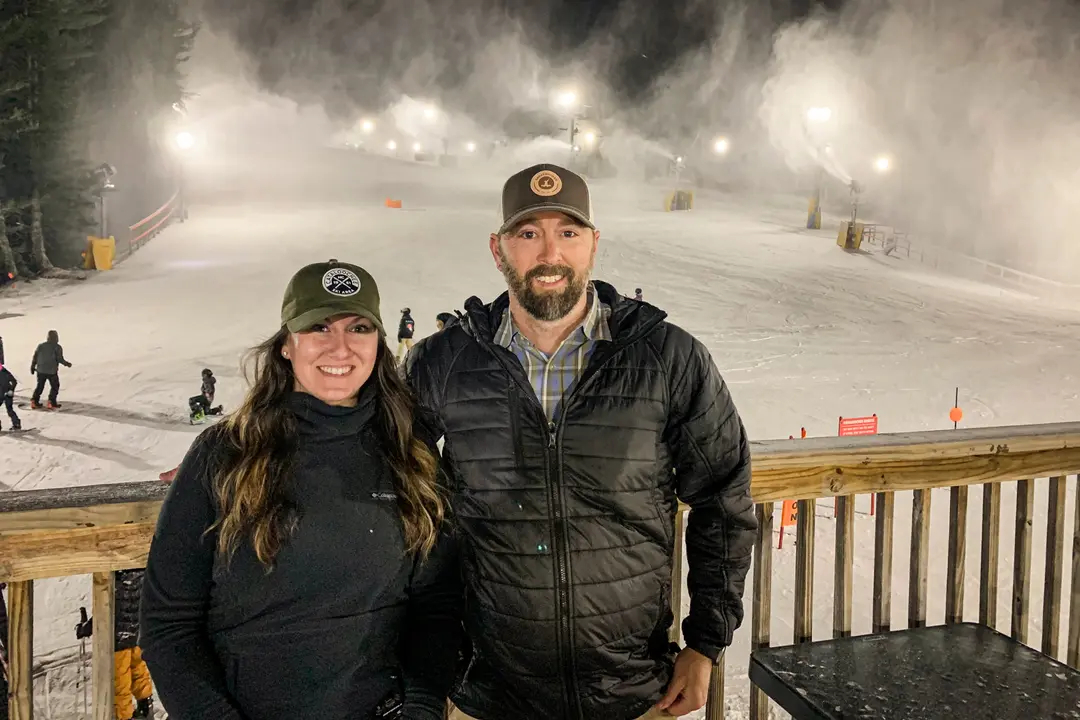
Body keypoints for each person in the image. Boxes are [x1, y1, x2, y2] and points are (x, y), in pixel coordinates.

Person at [405, 164, 756, 720]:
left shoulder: (667, 358)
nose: (550, 253)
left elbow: (723, 500)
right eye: (528, 234)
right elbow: (397, 500)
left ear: (594, 244)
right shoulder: (444, 362)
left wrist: (705, 643)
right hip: (491, 696)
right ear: (498, 250)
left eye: (568, 233)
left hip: (636, 693)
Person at [140, 259, 461, 720]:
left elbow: (435, 607)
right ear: (287, 345)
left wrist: (423, 708)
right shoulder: (226, 454)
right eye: (319, 328)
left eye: (359, 327)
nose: (341, 347)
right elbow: (169, 625)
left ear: (378, 343)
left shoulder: (410, 455)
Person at [73, 570, 156, 720]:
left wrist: (85, 628)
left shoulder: (115, 581)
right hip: (139, 632)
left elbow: (105, 610)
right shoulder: (144, 573)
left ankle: (123, 716)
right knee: (138, 668)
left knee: (120, 682)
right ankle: (146, 706)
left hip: (118, 638)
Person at [30, 330, 72, 409]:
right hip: (51, 371)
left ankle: (34, 401)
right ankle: (51, 402)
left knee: (40, 386)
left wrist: (32, 366)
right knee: (55, 386)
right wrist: (67, 364)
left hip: (40, 370)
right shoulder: (57, 347)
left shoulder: (41, 346)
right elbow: (59, 359)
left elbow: (35, 356)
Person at [0, 363, 21, 431]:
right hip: (4, 394)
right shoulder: (4, 371)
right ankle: (16, 423)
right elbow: (14, 381)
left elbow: (14, 381)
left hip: (7, 394)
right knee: (9, 409)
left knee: (9, 409)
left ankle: (16, 424)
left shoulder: (5, 372)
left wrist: (11, 390)